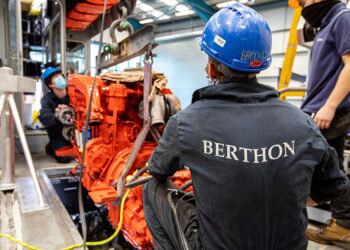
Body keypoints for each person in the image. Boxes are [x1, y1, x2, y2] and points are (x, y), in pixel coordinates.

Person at [141, 3, 349, 250]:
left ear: (211, 67)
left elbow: (157, 170)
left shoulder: (187, 122)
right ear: (261, 65)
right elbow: (335, 185)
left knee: (150, 187)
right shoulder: (302, 122)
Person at [288, 0, 350, 247]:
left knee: (323, 168)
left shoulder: (342, 18)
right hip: (318, 109)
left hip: (329, 112)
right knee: (324, 168)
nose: (304, 5)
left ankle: (343, 226)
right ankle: (339, 223)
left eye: (304, 0)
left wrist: (330, 105)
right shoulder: (325, 25)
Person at [39, 67, 73, 163]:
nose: (60, 78)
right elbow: (44, 117)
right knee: (65, 158)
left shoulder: (74, 93)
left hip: (75, 133)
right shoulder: (46, 100)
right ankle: (52, 146)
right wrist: (56, 115)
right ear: (50, 84)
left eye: (60, 75)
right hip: (58, 135)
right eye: (55, 77)